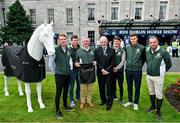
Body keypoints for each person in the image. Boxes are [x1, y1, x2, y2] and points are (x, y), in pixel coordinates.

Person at [145, 36, 172, 119]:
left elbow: (169, 64)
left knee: (159, 94)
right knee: (151, 92)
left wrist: (162, 72)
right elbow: (147, 62)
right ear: (149, 43)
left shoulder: (163, 52)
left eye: (154, 42)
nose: (152, 44)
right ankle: (153, 107)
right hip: (149, 76)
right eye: (151, 42)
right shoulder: (148, 52)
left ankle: (158, 111)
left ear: (157, 42)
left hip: (158, 77)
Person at [49, 34, 74, 119]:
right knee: (58, 92)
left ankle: (65, 106)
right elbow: (50, 63)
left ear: (66, 40)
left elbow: (70, 60)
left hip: (67, 74)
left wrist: (70, 69)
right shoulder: (55, 50)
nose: (63, 41)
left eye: (64, 39)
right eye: (61, 39)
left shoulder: (68, 49)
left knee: (66, 91)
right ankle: (57, 110)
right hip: (59, 75)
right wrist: (54, 72)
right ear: (59, 40)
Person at [124, 32, 146, 110]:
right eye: (131, 39)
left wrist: (139, 65)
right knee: (129, 86)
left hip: (137, 71)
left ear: (137, 39)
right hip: (128, 70)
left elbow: (144, 59)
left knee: (137, 87)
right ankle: (130, 101)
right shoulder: (127, 47)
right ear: (130, 39)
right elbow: (125, 57)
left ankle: (136, 102)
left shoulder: (142, 47)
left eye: (134, 39)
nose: (133, 40)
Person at [75, 37, 96, 109]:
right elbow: (76, 61)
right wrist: (76, 63)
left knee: (90, 88)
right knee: (82, 89)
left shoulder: (93, 50)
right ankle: (82, 101)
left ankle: (89, 101)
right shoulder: (79, 51)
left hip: (91, 72)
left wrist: (95, 62)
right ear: (82, 42)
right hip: (82, 72)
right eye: (84, 41)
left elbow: (96, 59)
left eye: (87, 41)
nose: (86, 42)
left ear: (89, 42)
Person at [95, 36, 115, 111]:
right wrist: (102, 69)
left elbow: (113, 62)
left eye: (104, 42)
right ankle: (103, 100)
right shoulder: (97, 50)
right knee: (101, 87)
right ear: (100, 42)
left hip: (109, 73)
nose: (103, 43)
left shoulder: (112, 50)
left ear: (107, 42)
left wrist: (106, 70)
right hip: (100, 72)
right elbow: (97, 61)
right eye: (102, 42)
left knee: (109, 88)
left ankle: (109, 103)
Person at [112, 36, 126, 104]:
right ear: (113, 42)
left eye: (118, 42)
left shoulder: (122, 50)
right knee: (113, 84)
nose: (116, 43)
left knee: (120, 85)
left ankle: (121, 97)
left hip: (119, 71)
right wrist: (112, 68)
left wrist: (117, 68)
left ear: (120, 42)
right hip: (112, 71)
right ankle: (114, 96)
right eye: (115, 42)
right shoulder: (111, 50)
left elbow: (123, 61)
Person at [68, 35, 80, 107]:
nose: (75, 41)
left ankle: (78, 96)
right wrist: (74, 63)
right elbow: (68, 59)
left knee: (79, 84)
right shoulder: (69, 49)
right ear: (71, 41)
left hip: (79, 69)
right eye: (74, 40)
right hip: (72, 70)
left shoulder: (80, 48)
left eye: (76, 40)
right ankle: (71, 100)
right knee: (71, 85)